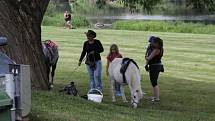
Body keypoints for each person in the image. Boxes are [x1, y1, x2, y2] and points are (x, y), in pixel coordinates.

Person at [145, 36, 164, 102]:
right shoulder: (161, 49)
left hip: (154, 66)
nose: (153, 44)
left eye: (154, 43)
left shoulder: (156, 50)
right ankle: (155, 96)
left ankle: (157, 98)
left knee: (154, 83)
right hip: (158, 66)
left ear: (157, 43)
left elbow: (149, 58)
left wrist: (146, 56)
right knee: (154, 82)